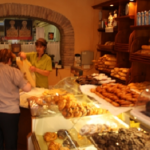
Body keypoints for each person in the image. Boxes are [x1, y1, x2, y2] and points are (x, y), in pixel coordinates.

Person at [0, 49, 31, 150]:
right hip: (9, 113)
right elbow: (27, 88)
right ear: (9, 60)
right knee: (11, 143)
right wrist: (29, 81)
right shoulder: (14, 71)